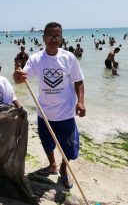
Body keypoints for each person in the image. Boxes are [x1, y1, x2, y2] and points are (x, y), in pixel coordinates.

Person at [13, 22, 86, 189]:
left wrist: (80, 101)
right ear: (44, 38)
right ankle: (52, 165)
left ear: (61, 38)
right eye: (50, 35)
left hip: (66, 112)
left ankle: (64, 168)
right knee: (47, 143)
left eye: (57, 35)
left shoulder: (68, 57)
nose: (54, 39)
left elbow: (79, 81)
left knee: (67, 146)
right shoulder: (36, 58)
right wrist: (17, 75)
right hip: (44, 113)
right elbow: (22, 80)